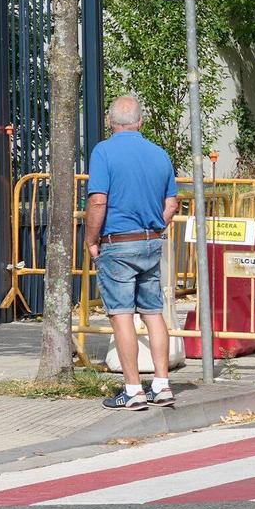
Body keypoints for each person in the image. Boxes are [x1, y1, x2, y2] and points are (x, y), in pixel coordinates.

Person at [82, 95, 180, 411]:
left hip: (117, 244)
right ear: (140, 122)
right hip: (151, 243)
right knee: (153, 312)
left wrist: (91, 239)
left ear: (110, 122)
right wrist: (153, 228)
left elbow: (98, 200)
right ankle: (162, 385)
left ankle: (133, 389)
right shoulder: (159, 154)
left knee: (121, 315)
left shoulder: (103, 152)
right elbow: (172, 204)